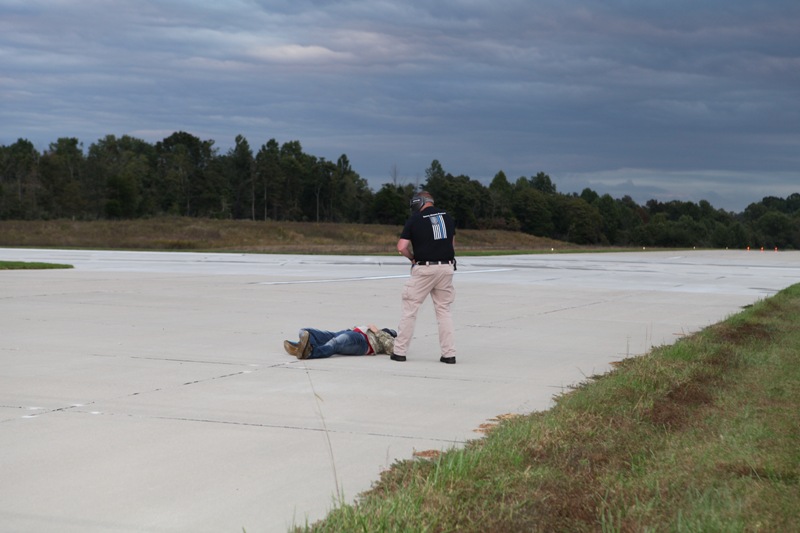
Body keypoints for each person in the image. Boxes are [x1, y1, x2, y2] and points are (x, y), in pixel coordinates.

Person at [392, 191, 457, 364]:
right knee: (444, 311)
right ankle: (449, 354)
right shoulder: (447, 217)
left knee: (410, 309)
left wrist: (412, 258)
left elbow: (401, 247)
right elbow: (452, 244)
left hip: (424, 268)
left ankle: (399, 351)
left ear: (418, 202)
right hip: (446, 267)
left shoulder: (415, 219)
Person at [283, 325, 397, 359]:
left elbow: (392, 348)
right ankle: (303, 347)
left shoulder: (386, 336)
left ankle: (310, 352)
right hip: (348, 332)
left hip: (362, 342)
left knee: (335, 343)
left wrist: (377, 332)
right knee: (305, 331)